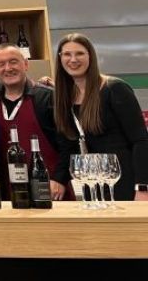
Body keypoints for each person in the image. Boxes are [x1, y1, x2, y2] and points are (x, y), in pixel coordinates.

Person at [53, 33, 148, 201]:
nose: (73, 59)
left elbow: (140, 140)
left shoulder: (115, 88)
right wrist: (59, 179)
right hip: (92, 184)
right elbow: (69, 146)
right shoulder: (64, 97)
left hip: (125, 182)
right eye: (67, 54)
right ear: (60, 58)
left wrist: (142, 188)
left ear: (90, 56)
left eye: (79, 53)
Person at [0, 44, 70, 200]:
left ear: (25, 64)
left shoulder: (49, 98)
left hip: (50, 189)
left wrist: (60, 179)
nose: (8, 68)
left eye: (13, 62)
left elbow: (68, 143)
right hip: (9, 193)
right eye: (1, 64)